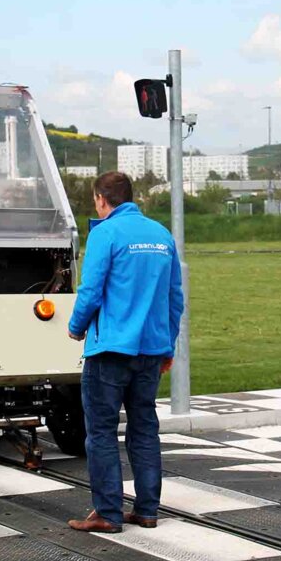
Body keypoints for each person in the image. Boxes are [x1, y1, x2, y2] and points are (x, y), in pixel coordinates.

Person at [66, 171, 184, 533]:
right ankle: (147, 510)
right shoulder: (161, 235)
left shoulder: (105, 233)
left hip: (110, 351)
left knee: (101, 431)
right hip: (151, 350)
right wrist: (168, 345)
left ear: (102, 199)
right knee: (144, 429)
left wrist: (76, 327)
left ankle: (108, 512)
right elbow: (174, 299)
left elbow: (91, 290)